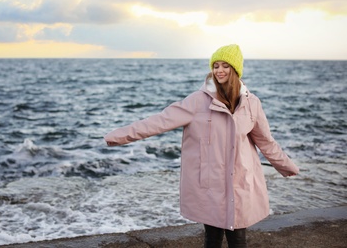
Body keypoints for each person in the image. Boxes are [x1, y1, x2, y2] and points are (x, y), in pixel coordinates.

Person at [104, 44, 299, 248]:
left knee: (238, 240)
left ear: (236, 70)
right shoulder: (198, 102)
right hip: (210, 184)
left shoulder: (252, 104)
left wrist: (286, 166)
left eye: (225, 65)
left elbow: (265, 141)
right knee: (212, 239)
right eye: (215, 66)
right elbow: (159, 121)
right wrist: (118, 136)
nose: (219, 70)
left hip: (240, 182)